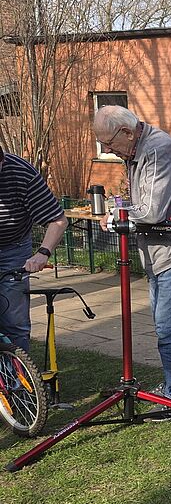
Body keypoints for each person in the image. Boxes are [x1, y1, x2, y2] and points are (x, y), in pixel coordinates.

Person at [91, 106, 171, 412]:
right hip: (157, 250)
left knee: (168, 325)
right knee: (162, 322)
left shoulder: (157, 149)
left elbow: (153, 211)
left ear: (127, 132)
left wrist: (118, 213)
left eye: (110, 144)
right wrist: (123, 211)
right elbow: (144, 203)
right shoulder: (137, 151)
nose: (109, 151)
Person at [0, 148, 69, 351]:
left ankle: (18, 379)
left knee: (14, 320)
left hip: (13, 248)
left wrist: (42, 253)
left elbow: (58, 220)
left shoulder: (22, 173)